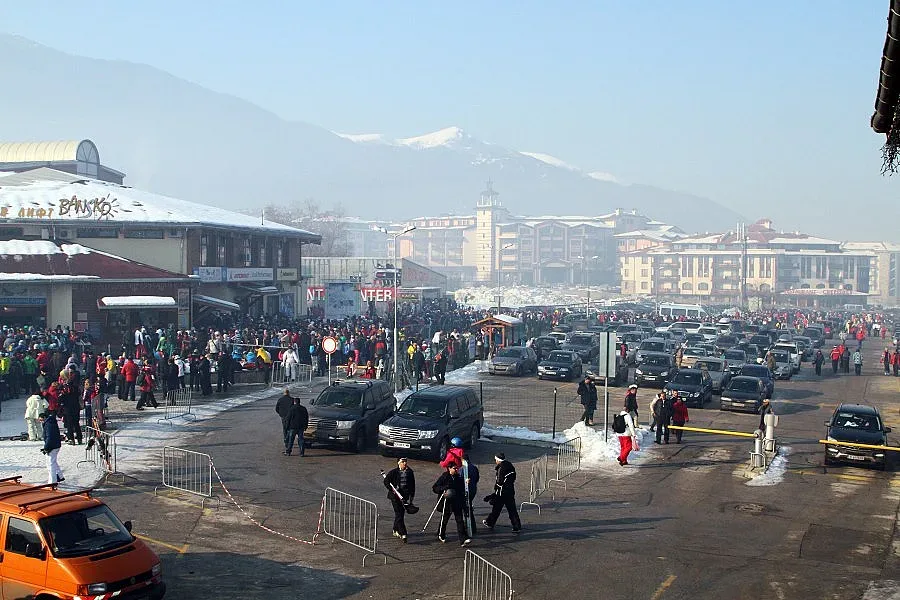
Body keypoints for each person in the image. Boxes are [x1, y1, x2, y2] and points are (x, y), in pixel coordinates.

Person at [432, 463, 471, 546]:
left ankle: (462, 539)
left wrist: (466, 483)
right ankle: (441, 534)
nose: (456, 470)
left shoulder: (458, 478)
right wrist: (444, 488)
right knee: (444, 520)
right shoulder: (444, 477)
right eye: (454, 468)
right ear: (449, 468)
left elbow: (462, 489)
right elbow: (435, 487)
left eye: (457, 468)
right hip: (447, 502)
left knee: (460, 520)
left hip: (456, 502)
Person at [483, 453, 521, 533]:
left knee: (496, 509)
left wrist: (495, 492)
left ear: (498, 460)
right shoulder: (510, 465)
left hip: (501, 493)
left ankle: (490, 522)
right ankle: (517, 526)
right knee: (512, 510)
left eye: (495, 460)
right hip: (510, 491)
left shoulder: (501, 468)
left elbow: (499, 482)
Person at [383, 457, 415, 542]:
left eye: (406, 461)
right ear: (398, 463)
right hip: (394, 497)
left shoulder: (410, 472)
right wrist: (392, 489)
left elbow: (412, 486)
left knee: (401, 513)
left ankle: (395, 529)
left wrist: (411, 499)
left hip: (404, 497)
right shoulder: (393, 472)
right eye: (403, 462)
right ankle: (403, 533)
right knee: (399, 513)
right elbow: (386, 481)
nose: (405, 463)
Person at [41, 410, 64, 484]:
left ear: (44, 417)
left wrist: (46, 448)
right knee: (53, 462)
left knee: (50, 464)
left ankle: (52, 481)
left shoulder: (48, 425)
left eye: (41, 419)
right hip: (55, 445)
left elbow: (49, 437)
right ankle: (60, 476)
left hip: (52, 446)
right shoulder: (50, 422)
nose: (40, 421)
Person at [275, 389, 294, 455]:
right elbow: (293, 408)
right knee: (289, 429)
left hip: (283, 416)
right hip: (290, 416)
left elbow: (276, 408)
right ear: (288, 393)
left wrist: (280, 414)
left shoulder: (280, 399)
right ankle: (288, 441)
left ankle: (286, 442)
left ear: (284, 393)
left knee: (284, 429)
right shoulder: (292, 399)